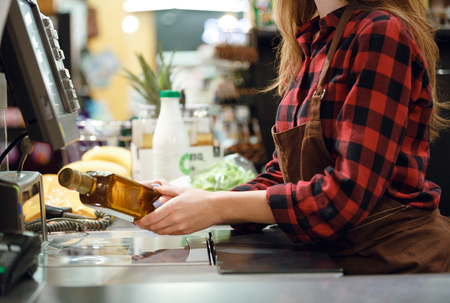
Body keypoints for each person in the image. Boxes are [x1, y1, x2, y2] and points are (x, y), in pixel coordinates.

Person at [135, 0, 450, 274]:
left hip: (395, 264)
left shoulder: (381, 33)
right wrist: (194, 200)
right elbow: (282, 175)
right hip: (335, 261)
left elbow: (344, 197)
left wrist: (218, 205)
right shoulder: (314, 44)